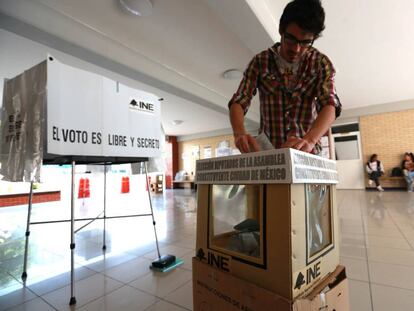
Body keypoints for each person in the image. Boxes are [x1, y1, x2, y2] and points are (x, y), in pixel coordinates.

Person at [229, 0, 341, 154]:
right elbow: (239, 100)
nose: (296, 49)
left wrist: (310, 140)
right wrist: (239, 134)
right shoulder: (260, 62)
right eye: (291, 39)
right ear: (281, 30)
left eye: (306, 42)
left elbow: (330, 104)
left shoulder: (321, 63)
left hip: (307, 152)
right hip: (270, 154)